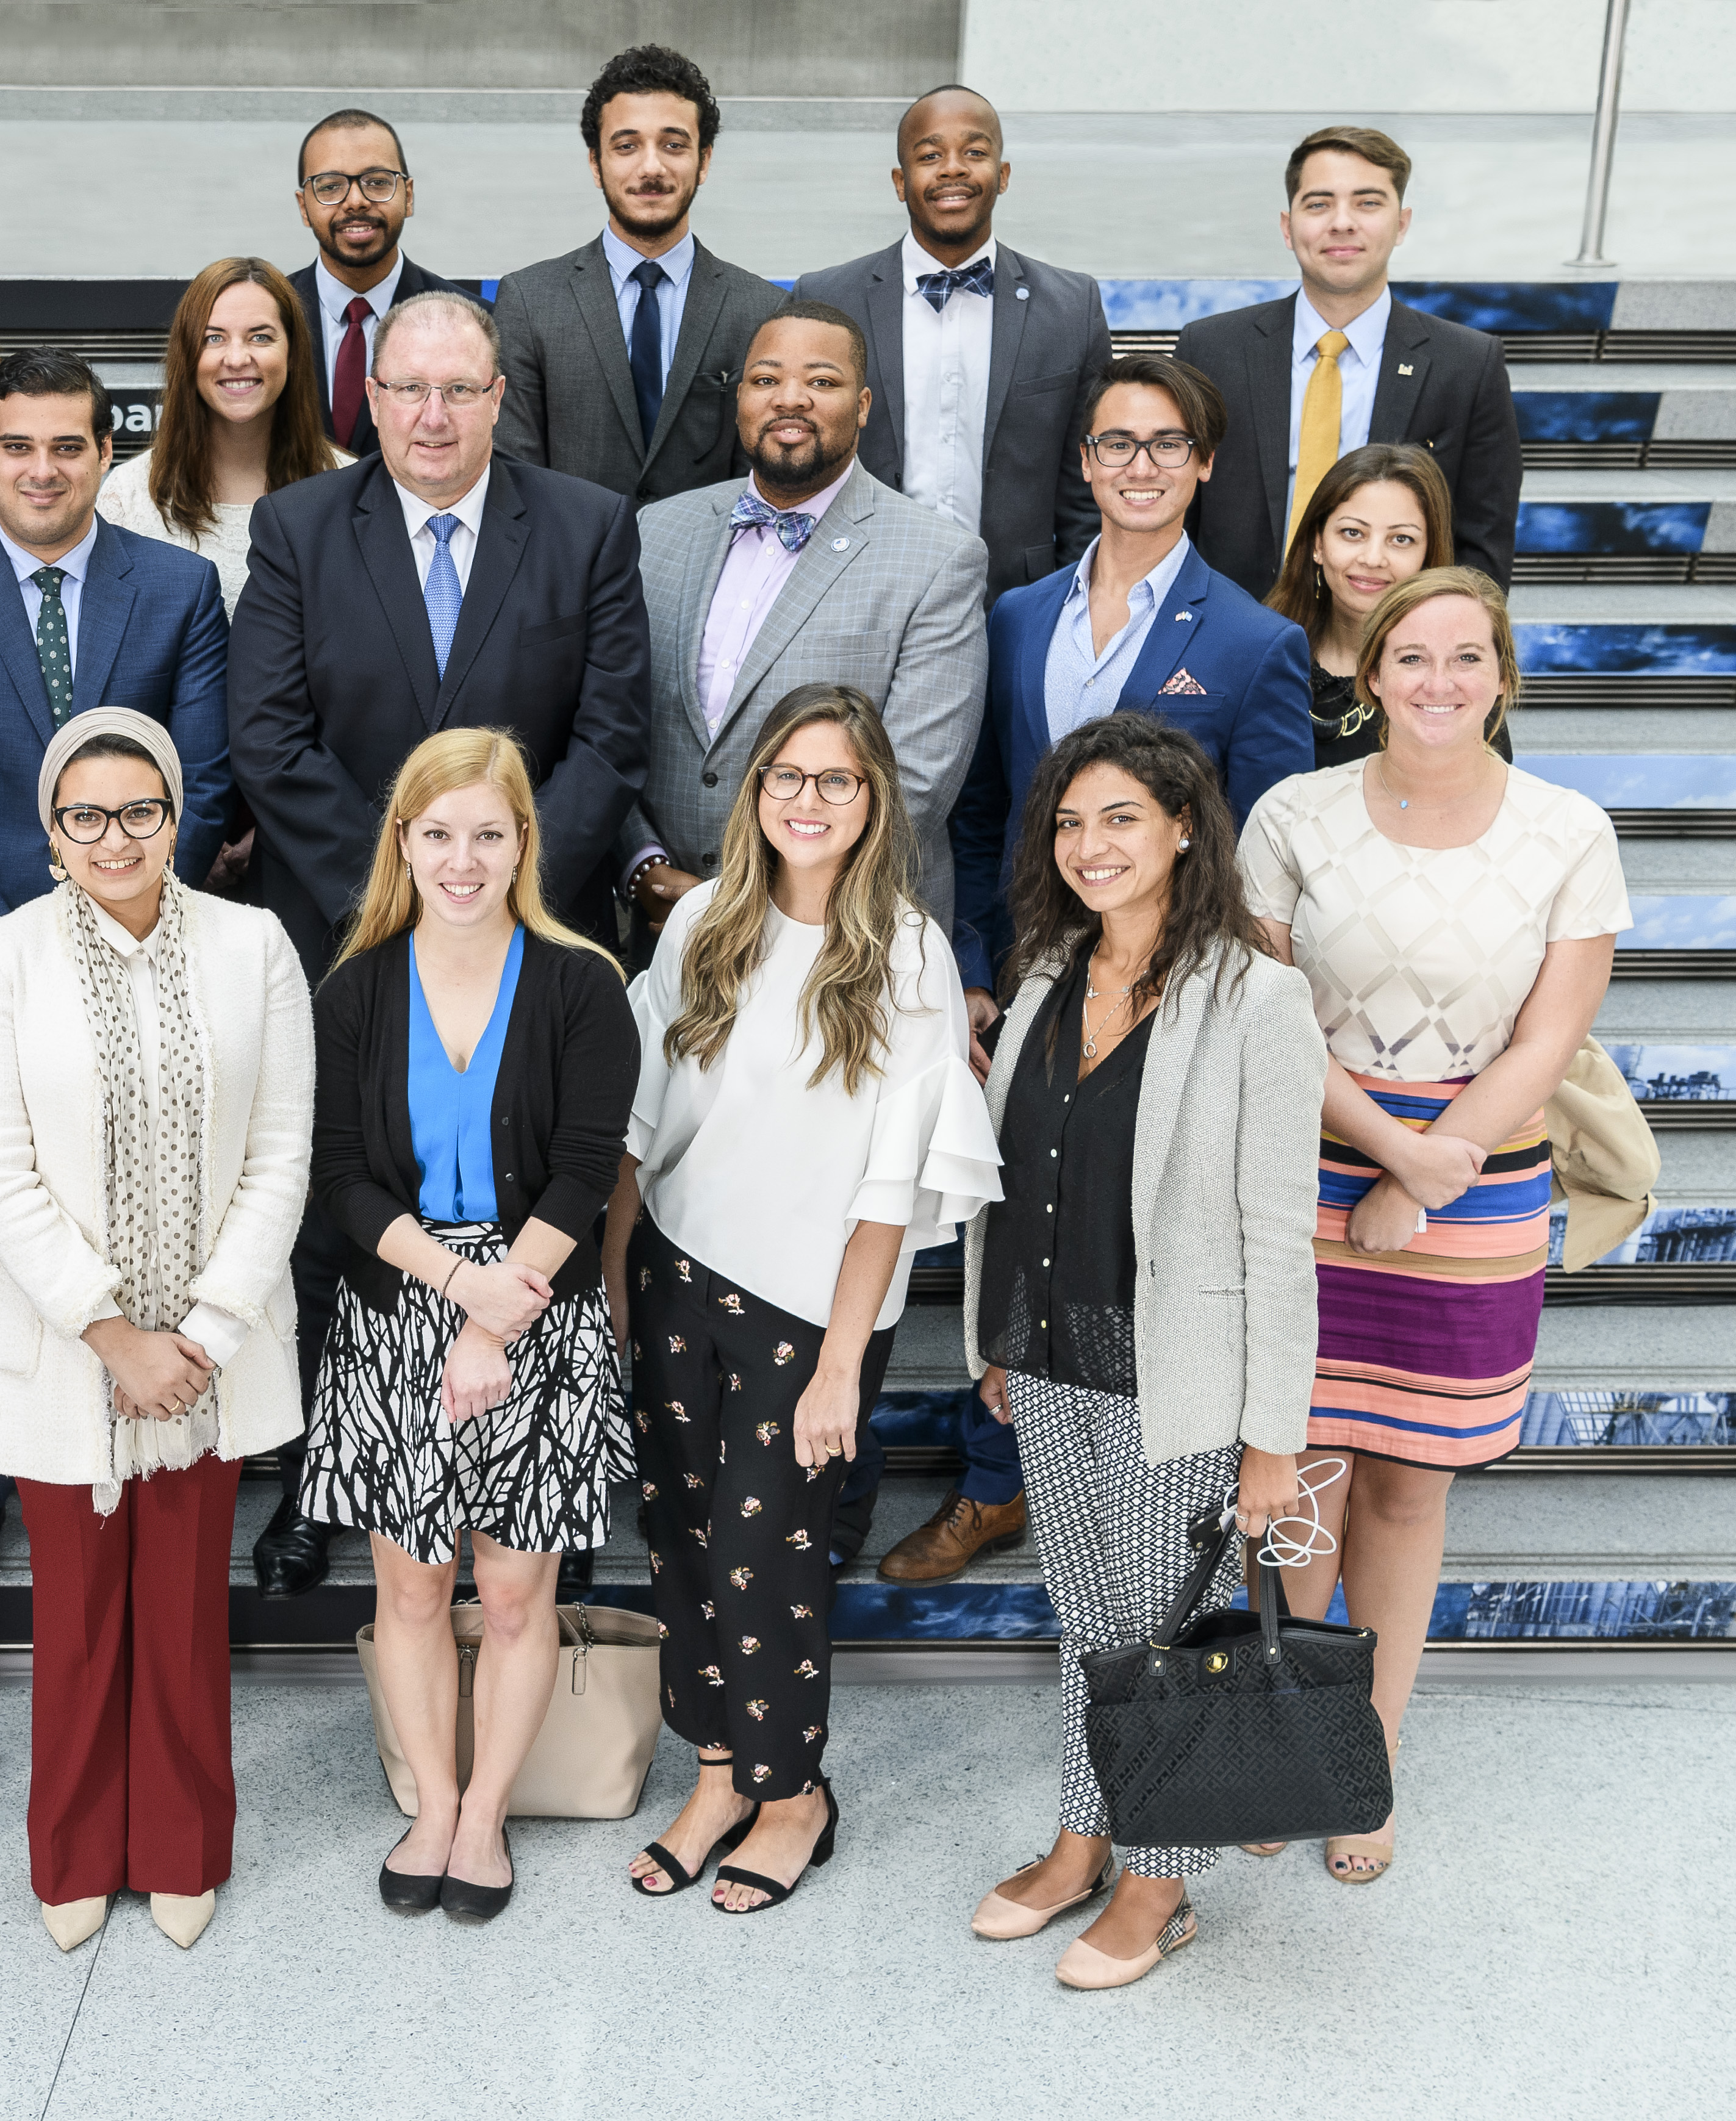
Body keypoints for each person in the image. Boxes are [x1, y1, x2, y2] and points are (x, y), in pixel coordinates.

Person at [231, 285, 649, 1599]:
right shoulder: (299, 525)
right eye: (406, 388)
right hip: (353, 936)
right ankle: (326, 1472)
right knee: (346, 1204)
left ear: (496, 400)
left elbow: (609, 739)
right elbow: (270, 736)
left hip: (530, 935)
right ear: (370, 400)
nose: (430, 413)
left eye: (458, 390)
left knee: (531, 1183)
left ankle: (543, 1484)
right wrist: (401, 889)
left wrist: (497, 881)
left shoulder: (584, 527)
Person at [1241, 567, 1627, 1887]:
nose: (1440, 680)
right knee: (1300, 1484)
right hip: (1305, 1171)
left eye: (1468, 657)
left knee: (1406, 1489)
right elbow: (1268, 1008)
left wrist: (1432, 1169)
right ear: (1372, 675)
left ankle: (1367, 1760)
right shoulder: (1294, 814)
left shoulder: (1568, 830)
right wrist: (1385, 1152)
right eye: (1414, 656)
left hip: (1478, 1189)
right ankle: (1290, 1738)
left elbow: (1552, 1037)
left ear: (1502, 678)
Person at [612, 685, 996, 1914]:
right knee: (677, 1537)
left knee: (757, 1556)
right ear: (755, 791)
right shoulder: (704, 926)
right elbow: (638, 1125)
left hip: (808, 1310)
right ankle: (720, 1771)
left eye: (836, 779)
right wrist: (620, 1288)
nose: (809, 800)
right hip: (676, 1267)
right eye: (788, 775)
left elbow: (892, 1183)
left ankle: (793, 1794)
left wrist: (842, 1364)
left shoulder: (907, 953)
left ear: (875, 797)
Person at [926, 351, 1308, 1585]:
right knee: (1020, 1216)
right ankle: (1002, 1484)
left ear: (1202, 465)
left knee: (1121, 1227)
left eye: (1163, 445)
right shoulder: (1016, 614)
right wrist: (983, 973)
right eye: (1113, 444)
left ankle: (1146, 1510)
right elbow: (981, 811)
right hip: (1032, 996)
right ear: (1083, 464)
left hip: (1163, 998)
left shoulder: (1253, 641)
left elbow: (1262, 850)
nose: (1137, 467)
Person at [0, 709, 314, 1956]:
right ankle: (76, 1851)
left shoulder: (254, 945)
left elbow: (281, 1151)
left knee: (185, 1607)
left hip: (213, 1351)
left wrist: (200, 1330)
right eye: (85, 814)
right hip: (63, 1353)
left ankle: (182, 1845)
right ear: (51, 830)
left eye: (140, 810)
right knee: (80, 1615)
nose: (116, 836)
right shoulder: (0, 958)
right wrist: (113, 1330)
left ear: (178, 816)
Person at [961, 711, 1325, 1989]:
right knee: (1084, 1618)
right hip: (1052, 1352)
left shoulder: (1258, 995)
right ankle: (1080, 1836)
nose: (1089, 842)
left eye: (1120, 816)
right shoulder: (1052, 972)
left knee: (1159, 1634)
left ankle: (1158, 1878)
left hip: (1183, 1374)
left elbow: (1281, 1234)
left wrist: (1275, 1433)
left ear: (1182, 828)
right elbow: (1021, 1178)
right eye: (1069, 819)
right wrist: (1000, 1338)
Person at [303, 729, 636, 1922]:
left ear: (522, 846)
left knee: (510, 1595)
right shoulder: (355, 986)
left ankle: (487, 1809)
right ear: (403, 841)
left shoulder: (580, 982)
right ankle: (432, 1803)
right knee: (408, 1589)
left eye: (488, 833)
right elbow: (338, 1176)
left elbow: (585, 1169)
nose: (463, 857)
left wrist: (497, 1316)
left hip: (536, 1309)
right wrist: (456, 1287)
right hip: (401, 1299)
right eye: (438, 832)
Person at [625, 300, 986, 949]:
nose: (789, 399)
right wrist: (642, 864)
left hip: (841, 940)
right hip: (659, 929)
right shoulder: (657, 531)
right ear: (739, 399)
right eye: (765, 380)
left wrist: (736, 901)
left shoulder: (938, 559)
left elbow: (916, 786)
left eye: (821, 381)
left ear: (865, 404)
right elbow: (610, 725)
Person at [0, 345, 231, 969]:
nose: (42, 470)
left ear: (105, 452)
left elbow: (200, 786)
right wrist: (8, 948)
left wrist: (131, 923)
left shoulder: (183, 588)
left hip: (147, 943)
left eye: (67, 447)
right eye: (17, 447)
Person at [789, 84, 1113, 602]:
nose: (953, 168)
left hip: (1018, 601)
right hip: (855, 594)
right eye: (930, 155)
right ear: (900, 182)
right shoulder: (827, 299)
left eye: (975, 152)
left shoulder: (1072, 307)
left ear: (1002, 176)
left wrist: (1075, 605)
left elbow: (1087, 487)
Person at [1175, 126, 1521, 598]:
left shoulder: (1466, 364)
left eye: (1367, 203)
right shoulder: (1211, 349)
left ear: (1401, 224)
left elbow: (1483, 543)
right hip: (1233, 635)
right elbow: (1177, 515)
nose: (1341, 222)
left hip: (1389, 645)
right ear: (1286, 225)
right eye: (1318, 204)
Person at [491, 45, 778, 510]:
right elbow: (514, 473)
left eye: (673, 145)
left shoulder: (759, 310)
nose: (651, 168)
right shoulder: (528, 301)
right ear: (594, 163)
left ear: (703, 161)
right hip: (571, 573)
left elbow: (763, 478)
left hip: (712, 573)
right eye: (626, 146)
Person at [96, 257, 349, 617]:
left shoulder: (350, 490)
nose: (236, 358)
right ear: (187, 355)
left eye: (260, 337)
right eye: (214, 338)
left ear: (293, 353)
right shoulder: (128, 497)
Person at [1264, 442, 1509, 771]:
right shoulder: (1260, 657)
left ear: (1429, 555)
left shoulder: (1456, 685)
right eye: (1353, 533)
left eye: (1401, 539)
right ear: (1317, 544)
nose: (1373, 559)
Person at [290, 107, 451, 461]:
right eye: (330, 186)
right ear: (304, 208)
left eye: (377, 182)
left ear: (408, 196)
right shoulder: (270, 317)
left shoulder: (467, 323)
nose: (356, 201)